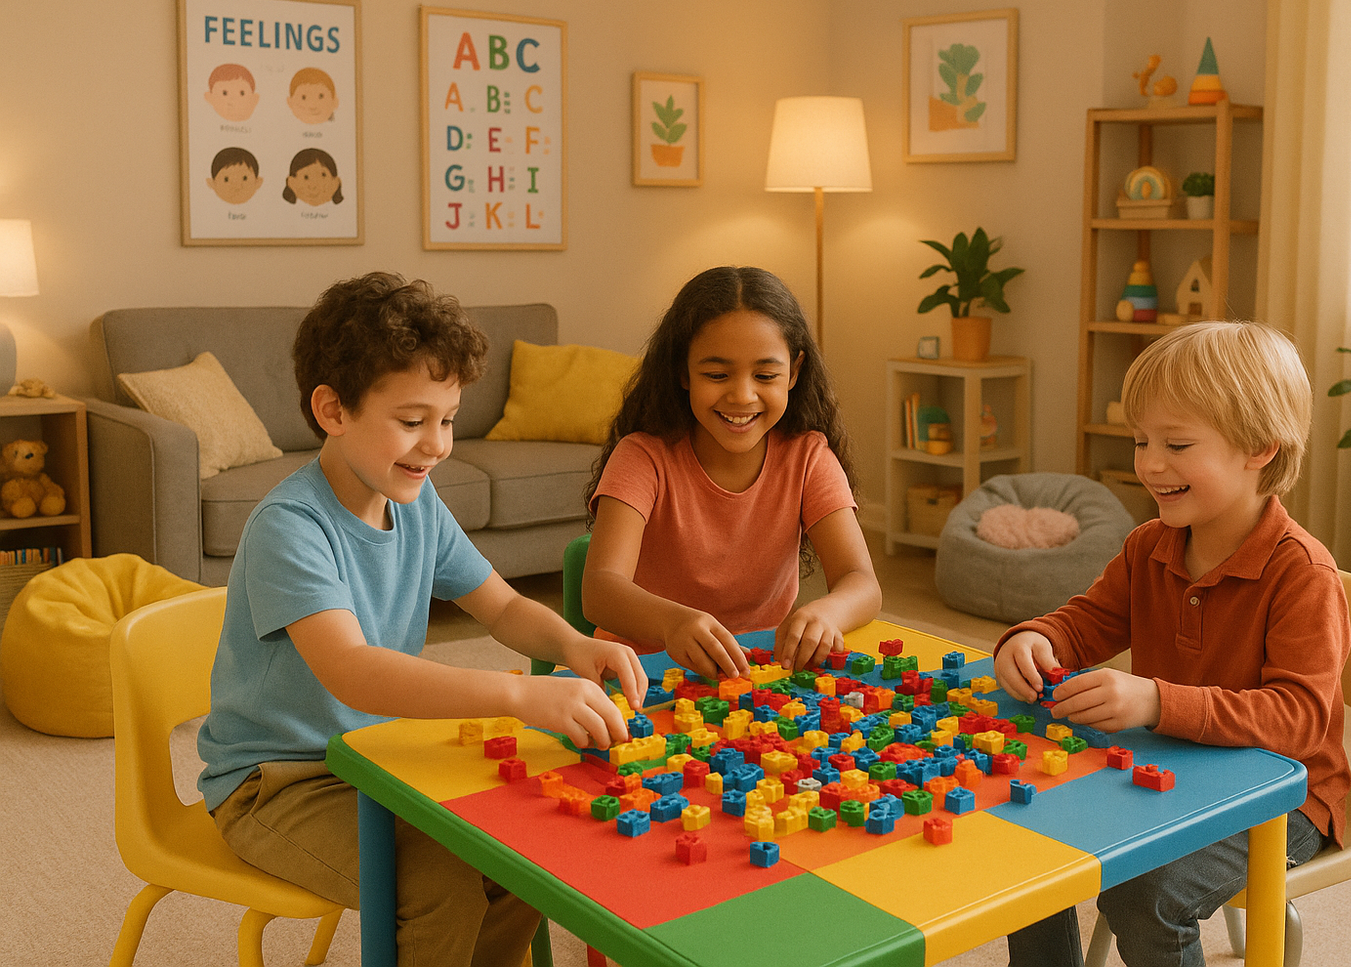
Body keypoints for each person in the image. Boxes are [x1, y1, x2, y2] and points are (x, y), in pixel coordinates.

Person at [197, 272, 645, 967]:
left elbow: (499, 605)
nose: (436, 445)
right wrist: (521, 694)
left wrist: (572, 644)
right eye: (412, 421)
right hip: (278, 784)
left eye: (447, 419)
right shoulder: (291, 526)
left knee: (527, 853)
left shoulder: (417, 502)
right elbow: (354, 672)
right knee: (442, 883)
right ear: (332, 409)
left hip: (376, 762)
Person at [993, 321, 1351, 967]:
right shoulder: (1148, 547)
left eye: (1177, 444)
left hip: (1285, 798)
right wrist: (1033, 639)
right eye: (1141, 441)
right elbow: (1083, 625)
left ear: (1260, 448)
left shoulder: (1302, 572)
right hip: (1169, 772)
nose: (1150, 463)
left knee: (1145, 893)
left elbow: (1298, 721)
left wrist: (1156, 701)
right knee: (1026, 830)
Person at [582, 265, 881, 679]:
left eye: (766, 375)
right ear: (682, 372)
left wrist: (826, 612)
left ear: (793, 372)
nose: (742, 395)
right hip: (642, 672)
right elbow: (600, 591)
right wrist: (674, 624)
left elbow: (861, 581)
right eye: (717, 375)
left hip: (758, 672)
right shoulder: (642, 457)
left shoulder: (808, 457)